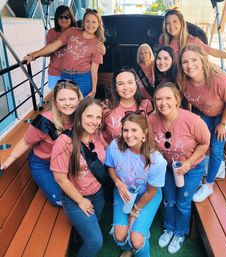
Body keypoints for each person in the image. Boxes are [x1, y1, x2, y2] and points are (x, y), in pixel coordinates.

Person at [148, 82, 210, 254]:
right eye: (158, 99)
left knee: (182, 203)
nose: (163, 103)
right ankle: (169, 228)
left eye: (168, 98)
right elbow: (150, 143)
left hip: (191, 168)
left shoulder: (192, 120)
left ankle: (180, 233)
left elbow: (205, 144)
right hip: (168, 168)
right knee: (168, 200)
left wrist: (189, 163)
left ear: (177, 100)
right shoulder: (152, 120)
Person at [0, 80, 83, 206]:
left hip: (67, 163)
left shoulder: (82, 118)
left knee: (82, 190)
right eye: (62, 99)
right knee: (60, 200)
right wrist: (5, 164)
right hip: (43, 164)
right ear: (55, 101)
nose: (67, 103)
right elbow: (25, 142)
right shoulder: (44, 121)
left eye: (72, 99)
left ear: (78, 100)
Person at [177, 44, 226, 202]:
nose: (190, 65)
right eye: (185, 62)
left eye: (194, 59)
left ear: (203, 60)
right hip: (204, 111)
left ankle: (209, 185)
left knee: (216, 147)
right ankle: (197, 173)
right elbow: (185, 100)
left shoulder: (219, 79)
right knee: (198, 140)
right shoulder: (183, 81)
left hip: (224, 111)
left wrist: (223, 123)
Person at [105, 112, 167, 257]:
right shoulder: (115, 145)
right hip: (124, 192)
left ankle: (139, 240)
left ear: (144, 134)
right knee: (119, 236)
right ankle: (130, 248)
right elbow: (110, 166)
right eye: (125, 130)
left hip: (147, 196)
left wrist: (135, 211)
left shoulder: (156, 160)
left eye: (134, 130)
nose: (128, 135)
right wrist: (118, 183)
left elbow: (151, 192)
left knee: (137, 240)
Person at [51, 97, 106, 257]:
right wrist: (81, 201)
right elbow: (60, 178)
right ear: (79, 116)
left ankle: (78, 235)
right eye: (89, 116)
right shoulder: (64, 142)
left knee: (95, 223)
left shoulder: (97, 135)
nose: (94, 121)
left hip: (98, 194)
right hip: (76, 198)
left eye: (98, 117)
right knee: (95, 243)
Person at [24, 9, 106, 97]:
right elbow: (54, 45)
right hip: (65, 75)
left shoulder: (98, 45)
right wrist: (33, 55)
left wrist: (94, 89)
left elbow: (94, 69)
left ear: (98, 24)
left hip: (83, 77)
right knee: (66, 104)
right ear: (83, 22)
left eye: (94, 22)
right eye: (87, 21)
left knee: (81, 106)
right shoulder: (71, 31)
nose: (90, 25)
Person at [159, 8, 226, 64]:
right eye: (168, 23)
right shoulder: (162, 39)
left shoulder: (192, 40)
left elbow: (212, 51)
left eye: (175, 22)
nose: (171, 26)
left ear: (182, 23)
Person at [102, 67, 154, 144]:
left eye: (130, 82)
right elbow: (97, 133)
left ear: (136, 84)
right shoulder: (106, 105)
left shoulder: (146, 104)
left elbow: (150, 133)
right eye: (120, 84)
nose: (126, 87)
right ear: (115, 87)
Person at [46, 5, 76, 89]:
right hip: (55, 73)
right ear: (56, 18)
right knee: (57, 98)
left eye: (66, 17)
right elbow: (47, 52)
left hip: (72, 73)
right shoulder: (51, 32)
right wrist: (35, 55)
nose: (63, 19)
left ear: (71, 18)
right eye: (60, 17)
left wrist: (102, 49)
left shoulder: (77, 32)